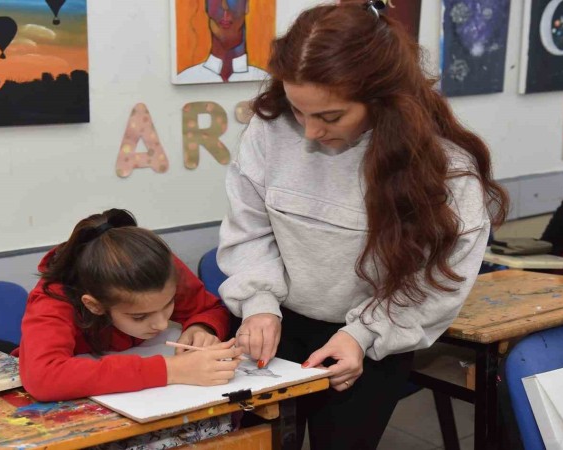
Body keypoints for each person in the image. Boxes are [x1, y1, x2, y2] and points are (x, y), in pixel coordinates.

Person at [216, 1, 508, 448]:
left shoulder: (445, 169)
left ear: (384, 100)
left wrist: (362, 335)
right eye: (298, 111)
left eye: (330, 117)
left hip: (374, 336)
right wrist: (257, 303)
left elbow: (434, 283)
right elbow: (249, 229)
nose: (310, 132)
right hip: (277, 322)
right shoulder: (270, 129)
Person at [14, 208, 238, 401]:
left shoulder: (158, 271)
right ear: (94, 305)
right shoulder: (54, 298)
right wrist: (172, 370)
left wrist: (201, 327)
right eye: (140, 317)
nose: (161, 324)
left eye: (169, 303)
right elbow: (43, 376)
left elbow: (209, 308)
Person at [176, 0, 268, 83]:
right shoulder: (186, 77)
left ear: (246, 5)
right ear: (206, 5)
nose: (225, 6)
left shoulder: (265, 80)